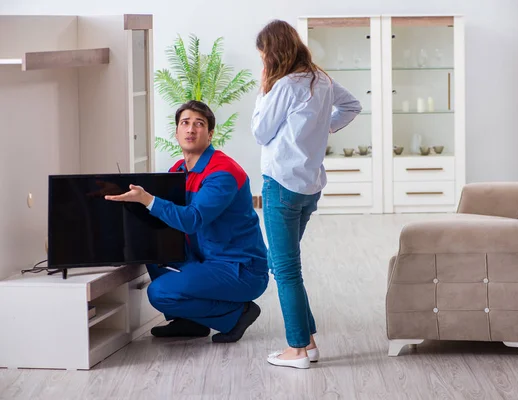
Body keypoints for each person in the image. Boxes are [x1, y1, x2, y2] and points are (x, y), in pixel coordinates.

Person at [106, 100, 269, 343]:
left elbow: (192, 220)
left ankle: (238, 314)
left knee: (159, 293)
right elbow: (160, 209)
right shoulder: (179, 169)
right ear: (177, 132)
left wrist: (147, 198)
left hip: (240, 269)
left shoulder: (223, 173)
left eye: (199, 124)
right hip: (206, 259)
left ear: (210, 134)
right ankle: (191, 321)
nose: (191, 129)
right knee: (154, 255)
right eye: (185, 123)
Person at [252, 19, 362, 368]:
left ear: (272, 54)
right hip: (309, 189)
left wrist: (263, 89)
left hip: (281, 186)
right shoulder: (322, 80)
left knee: (284, 270)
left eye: (263, 56)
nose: (262, 62)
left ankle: (297, 349)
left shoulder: (283, 86)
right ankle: (309, 341)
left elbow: (260, 132)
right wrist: (322, 128)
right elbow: (352, 106)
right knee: (284, 266)